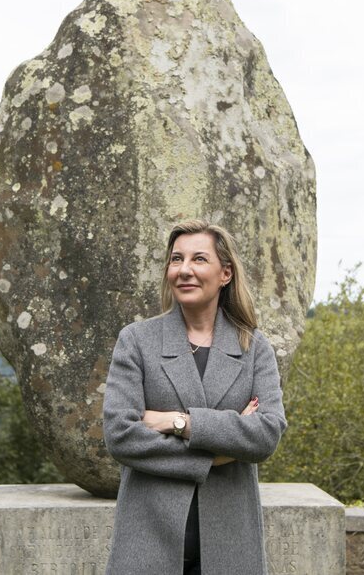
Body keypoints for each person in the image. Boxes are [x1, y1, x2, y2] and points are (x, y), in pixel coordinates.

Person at [102, 219, 288, 574]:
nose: (184, 270)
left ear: (225, 274)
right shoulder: (137, 341)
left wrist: (178, 423)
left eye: (199, 259)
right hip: (147, 543)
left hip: (230, 545)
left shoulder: (253, 348)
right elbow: (120, 435)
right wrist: (215, 456)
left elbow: (266, 434)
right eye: (176, 259)